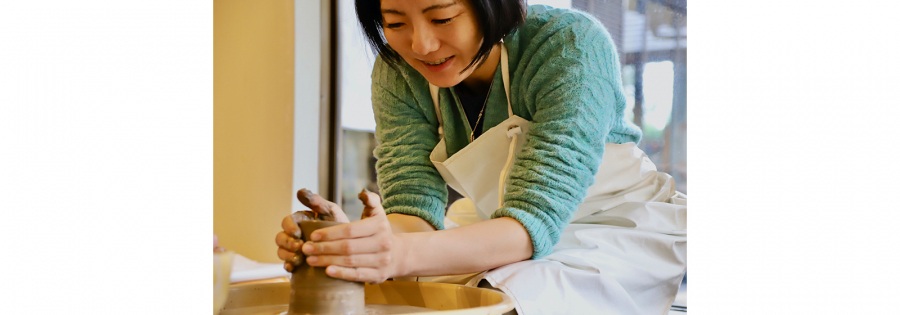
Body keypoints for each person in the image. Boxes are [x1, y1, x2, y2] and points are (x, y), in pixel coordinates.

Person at [274, 0, 686, 314]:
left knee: (501, 300)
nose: (421, 45)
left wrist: (395, 254)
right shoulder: (398, 72)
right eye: (396, 22)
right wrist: (348, 245)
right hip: (496, 223)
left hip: (616, 222)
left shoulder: (569, 45)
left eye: (442, 17)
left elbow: (532, 224)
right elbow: (413, 212)